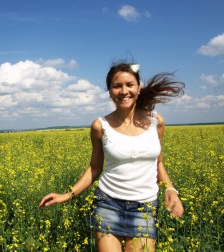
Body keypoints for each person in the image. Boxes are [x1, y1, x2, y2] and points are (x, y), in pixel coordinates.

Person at [38, 61, 185, 251]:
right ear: (109, 91)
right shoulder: (100, 126)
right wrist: (68, 195)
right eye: (117, 86)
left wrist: (171, 190)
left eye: (129, 85)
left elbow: (159, 163)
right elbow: (95, 167)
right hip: (108, 204)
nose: (124, 91)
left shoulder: (156, 122)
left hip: (145, 207)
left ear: (138, 88)